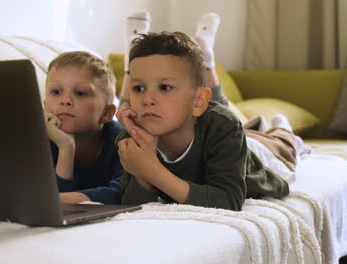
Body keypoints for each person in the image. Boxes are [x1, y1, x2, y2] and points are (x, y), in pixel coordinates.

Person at [116, 30, 290, 210]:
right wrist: (143, 170)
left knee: (281, 145)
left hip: (255, 158)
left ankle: (283, 128)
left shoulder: (224, 126)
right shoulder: (130, 137)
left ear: (198, 101)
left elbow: (228, 201)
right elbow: (132, 206)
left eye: (165, 87)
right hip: (235, 139)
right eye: (138, 88)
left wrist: (152, 170)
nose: (147, 99)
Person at [44, 51, 122, 205]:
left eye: (80, 93)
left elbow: (121, 193)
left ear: (106, 113)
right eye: (56, 92)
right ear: (45, 105)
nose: (65, 100)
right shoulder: (42, 142)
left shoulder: (122, 141)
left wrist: (54, 199)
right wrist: (66, 147)